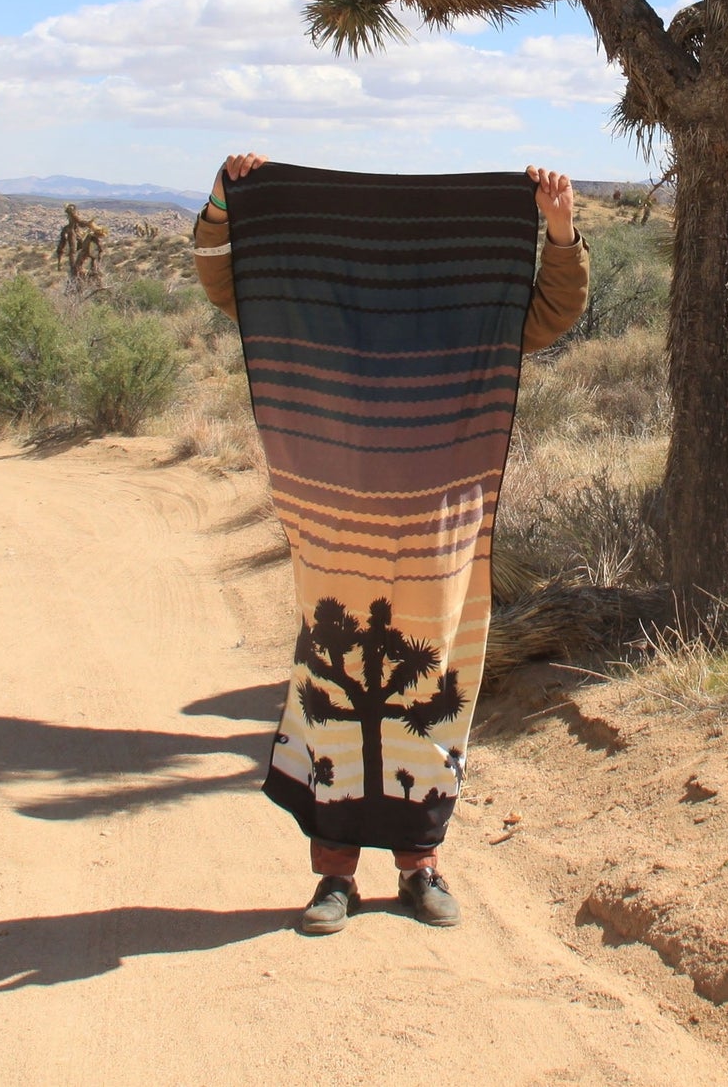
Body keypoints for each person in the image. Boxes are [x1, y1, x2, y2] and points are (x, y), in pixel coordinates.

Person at [194, 153, 588, 934]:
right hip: (337, 511)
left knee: (432, 674)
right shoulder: (317, 304)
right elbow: (229, 284)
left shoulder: (470, 303)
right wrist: (223, 202)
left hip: (439, 512)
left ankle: (421, 864)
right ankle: (333, 873)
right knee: (331, 672)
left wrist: (558, 228)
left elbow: (550, 313)